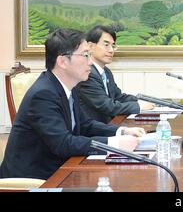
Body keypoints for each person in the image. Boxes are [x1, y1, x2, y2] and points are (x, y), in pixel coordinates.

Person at [0, 29, 144, 180]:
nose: (90, 61)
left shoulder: (67, 86)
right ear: (63, 61)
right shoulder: (43, 94)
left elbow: (85, 124)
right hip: (35, 178)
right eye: (85, 55)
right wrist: (114, 144)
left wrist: (122, 132)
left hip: (60, 168)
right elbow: (62, 143)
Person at [75, 25, 154, 124]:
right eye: (106, 45)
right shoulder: (87, 73)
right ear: (90, 46)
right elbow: (106, 106)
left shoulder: (106, 72)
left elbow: (118, 97)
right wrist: (139, 106)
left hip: (108, 125)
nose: (111, 50)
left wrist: (141, 101)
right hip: (93, 132)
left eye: (113, 46)